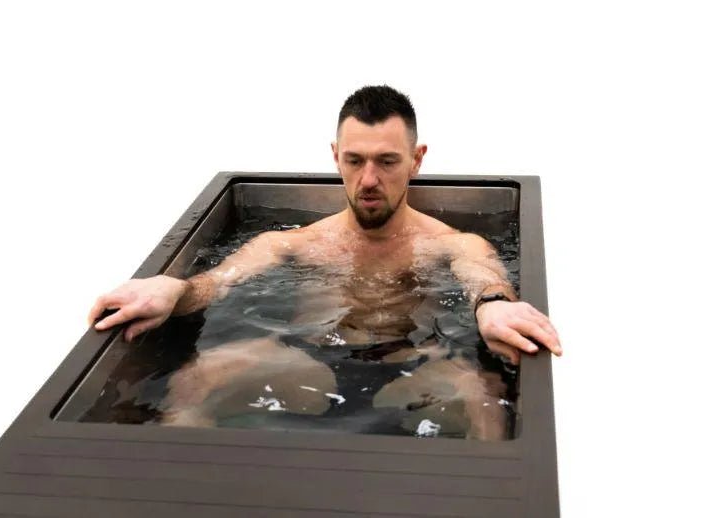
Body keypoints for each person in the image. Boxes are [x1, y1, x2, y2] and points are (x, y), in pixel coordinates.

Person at [87, 85, 562, 439]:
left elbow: (482, 274)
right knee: (198, 376)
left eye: (387, 161)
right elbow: (216, 283)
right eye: (354, 160)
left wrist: (494, 304)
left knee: (486, 399)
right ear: (335, 156)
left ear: (417, 160)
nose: (368, 178)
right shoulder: (296, 243)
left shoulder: (449, 243)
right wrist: (175, 289)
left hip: (414, 363)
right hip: (307, 362)